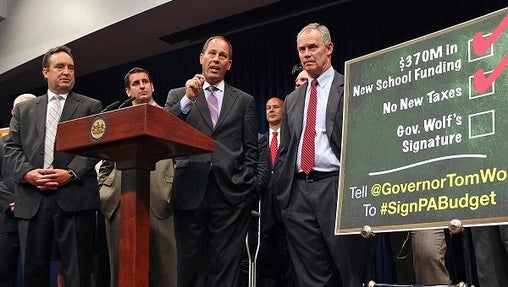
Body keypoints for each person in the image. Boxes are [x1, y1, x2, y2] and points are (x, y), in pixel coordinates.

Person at [271, 23, 369, 286]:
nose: (306, 54)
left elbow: (365, 141)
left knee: (351, 274)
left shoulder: (350, 86)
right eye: (301, 49)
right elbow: (285, 150)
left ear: (329, 48)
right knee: (310, 278)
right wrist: (285, 195)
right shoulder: (292, 99)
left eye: (313, 47)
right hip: (299, 194)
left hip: (337, 188)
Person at [4, 45, 102, 287]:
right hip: (32, 199)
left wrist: (70, 173)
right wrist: (27, 173)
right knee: (33, 274)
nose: (67, 72)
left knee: (78, 274)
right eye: (60, 67)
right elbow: (10, 148)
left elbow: (95, 147)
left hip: (75, 197)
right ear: (45, 72)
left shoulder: (91, 106)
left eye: (71, 67)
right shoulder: (24, 110)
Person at [165, 35, 258, 287]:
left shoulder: (244, 100)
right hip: (190, 191)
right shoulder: (179, 95)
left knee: (225, 267)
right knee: (190, 267)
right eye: (212, 53)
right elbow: (165, 132)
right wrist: (187, 100)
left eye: (222, 56)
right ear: (201, 58)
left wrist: (246, 184)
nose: (216, 59)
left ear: (229, 64)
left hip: (231, 194)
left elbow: (251, 150)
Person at [98, 67, 177, 287]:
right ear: (127, 91)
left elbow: (179, 158)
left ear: (152, 86)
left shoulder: (168, 116)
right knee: (121, 272)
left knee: (166, 274)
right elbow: (104, 160)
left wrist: (170, 190)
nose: (141, 86)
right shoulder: (116, 119)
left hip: (160, 201)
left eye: (145, 81)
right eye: (136, 83)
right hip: (119, 202)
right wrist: (105, 190)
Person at [255, 96, 296, 287]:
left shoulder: (292, 137)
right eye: (268, 107)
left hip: (289, 205)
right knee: (267, 259)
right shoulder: (258, 140)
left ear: (284, 109)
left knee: (290, 257)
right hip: (265, 208)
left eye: (276, 107)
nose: (271, 110)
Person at [0, 93, 36, 287]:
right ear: (14, 112)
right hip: (7, 220)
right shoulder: (1, 144)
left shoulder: (42, 145)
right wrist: (14, 202)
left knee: (37, 272)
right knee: (5, 274)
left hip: (37, 216)